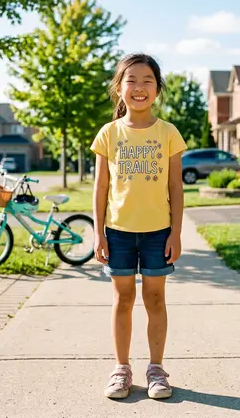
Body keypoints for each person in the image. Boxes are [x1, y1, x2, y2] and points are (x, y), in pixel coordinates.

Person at [90, 53, 187, 400]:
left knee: (155, 298)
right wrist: (97, 231)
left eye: (148, 80)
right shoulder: (108, 134)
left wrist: (175, 232)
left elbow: (176, 186)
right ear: (119, 88)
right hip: (117, 231)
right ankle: (121, 370)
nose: (139, 87)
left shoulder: (168, 133)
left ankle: (157, 370)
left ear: (158, 89)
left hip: (158, 232)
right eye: (131, 80)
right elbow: (101, 188)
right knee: (123, 298)